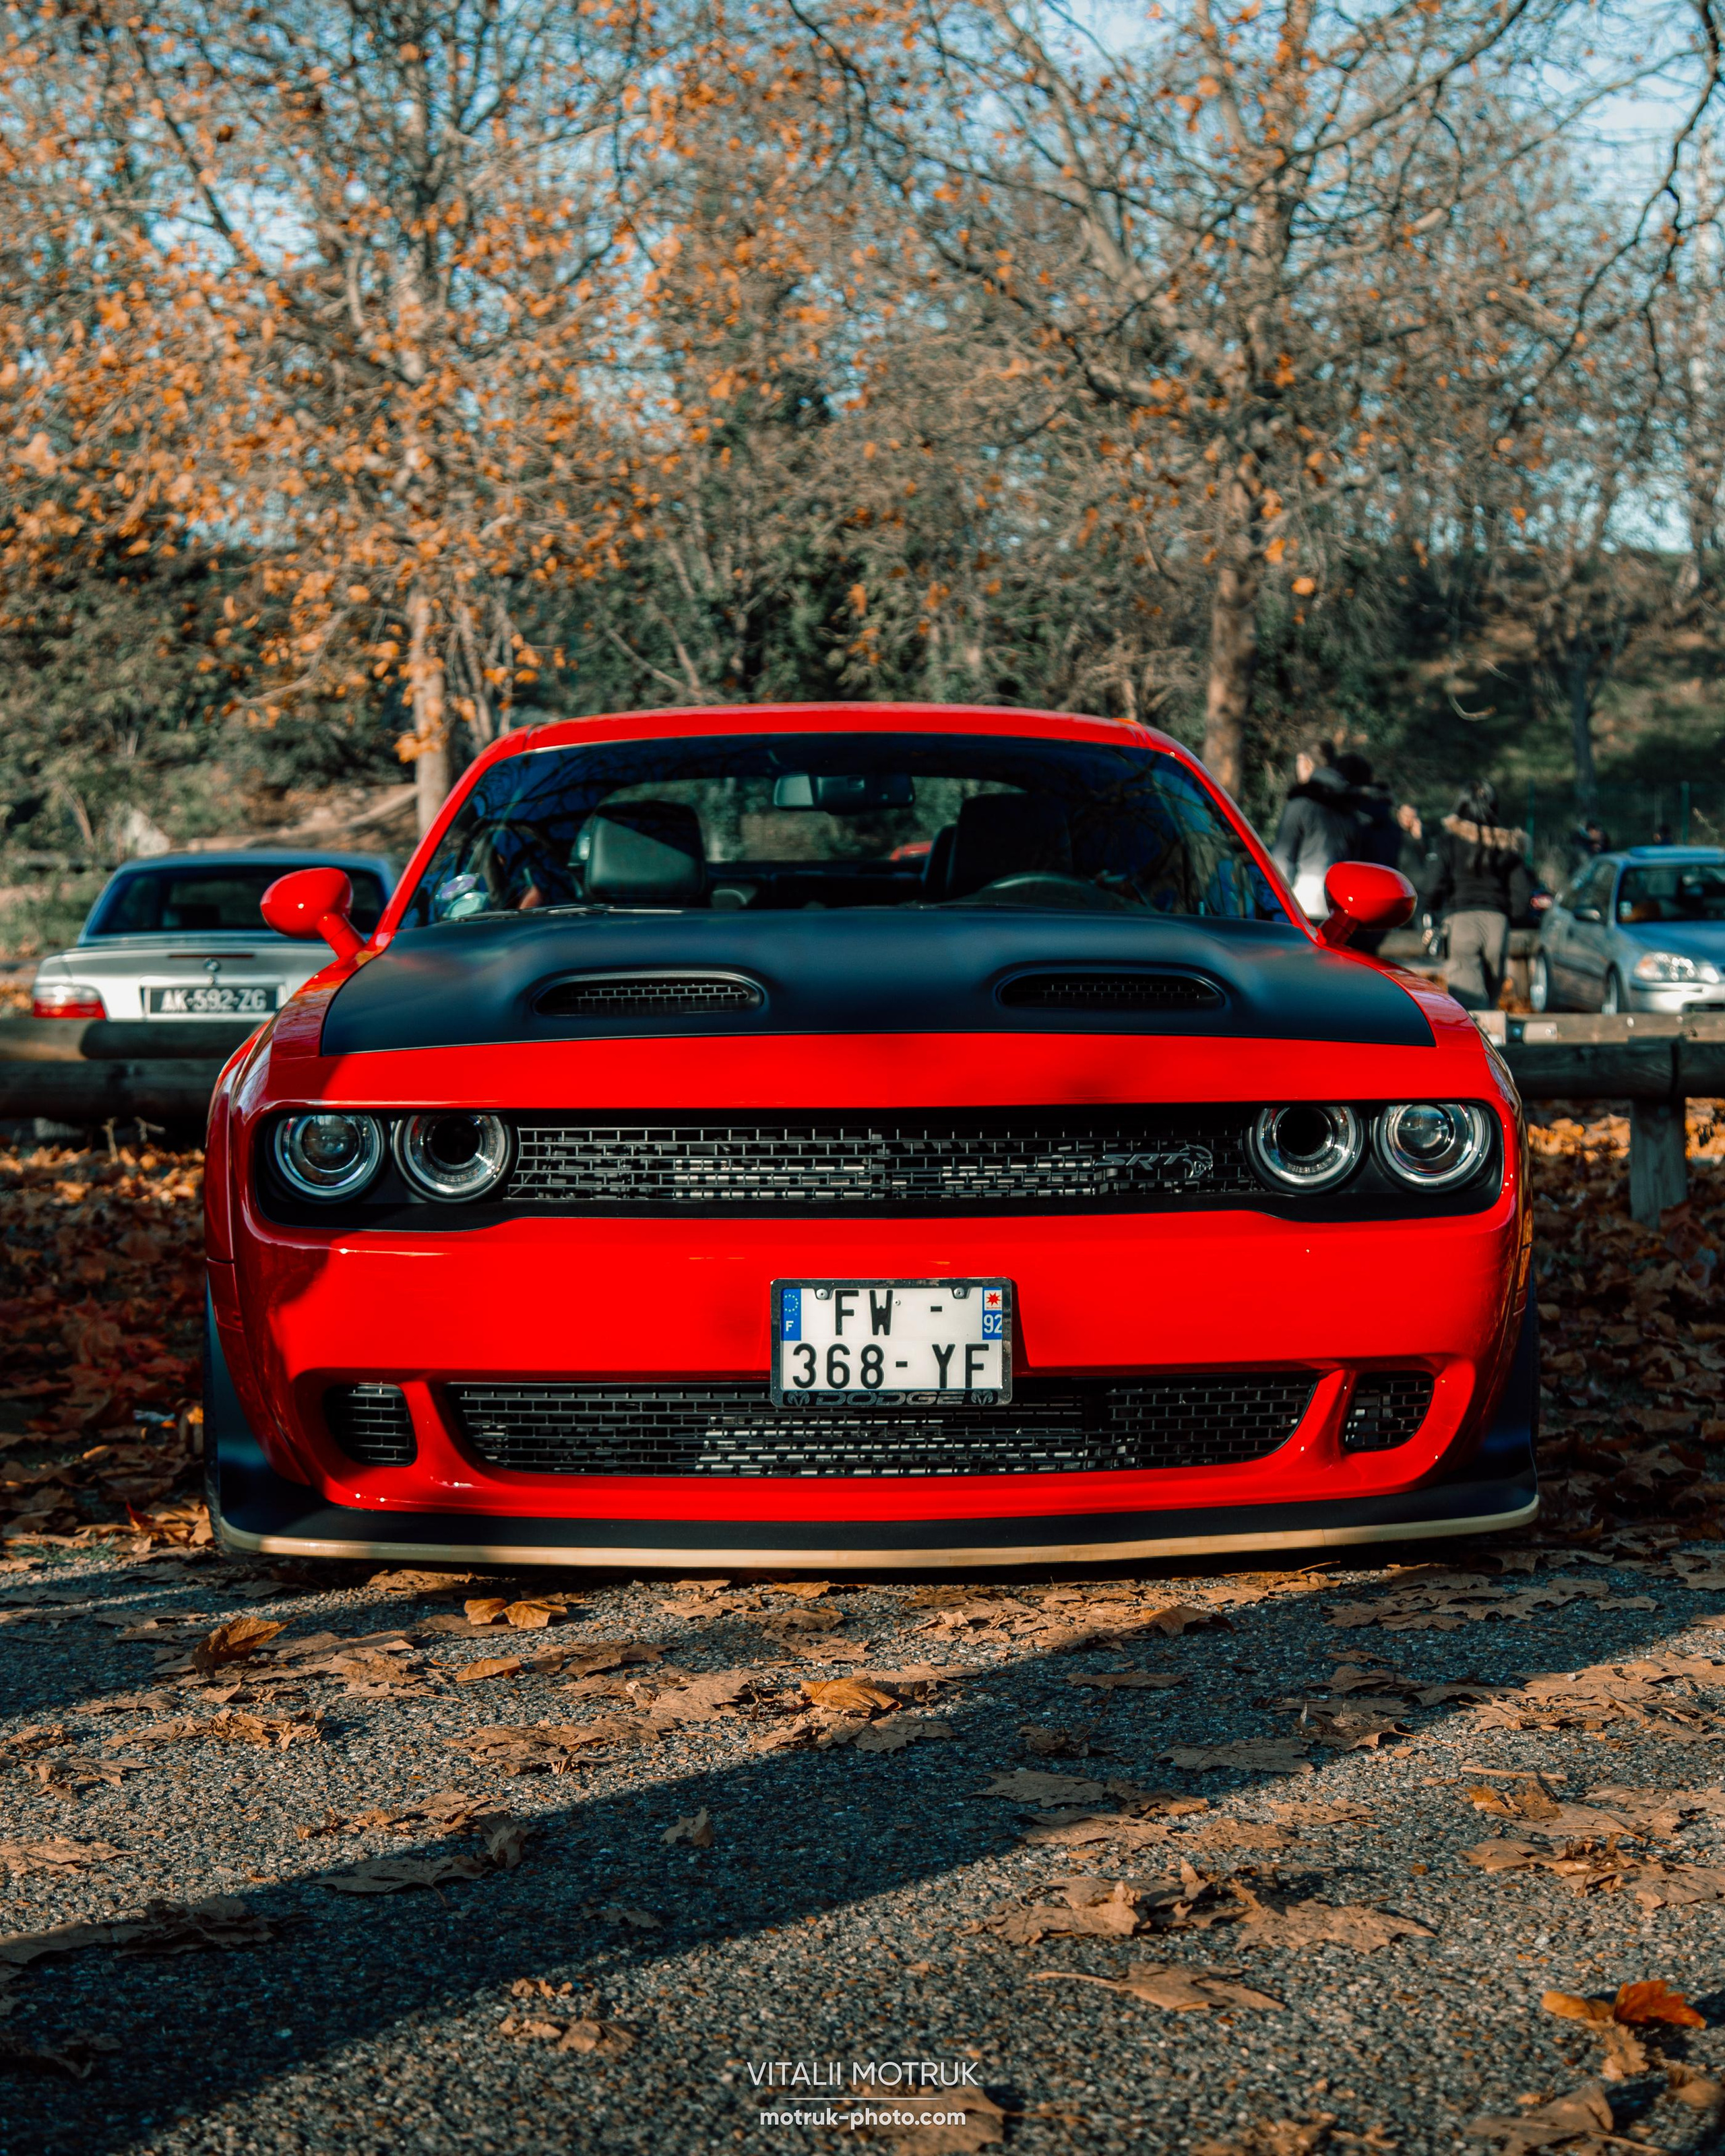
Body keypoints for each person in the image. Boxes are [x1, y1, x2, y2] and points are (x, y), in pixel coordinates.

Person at [1422, 782, 1534, 1011]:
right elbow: (1522, 893)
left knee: (1469, 1005)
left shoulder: (1448, 841)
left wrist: (1431, 911)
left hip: (1461, 922)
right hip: (1497, 923)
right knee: (1491, 1002)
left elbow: (1432, 885)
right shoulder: (1508, 845)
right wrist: (1507, 917)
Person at [1271, 744, 1357, 918]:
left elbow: (1282, 859)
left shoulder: (1300, 804)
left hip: (1303, 902)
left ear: (1306, 763)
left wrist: (1273, 903)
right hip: (1342, 904)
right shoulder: (1351, 808)